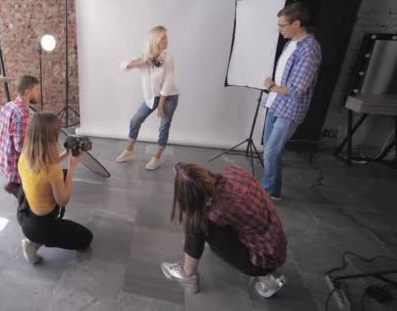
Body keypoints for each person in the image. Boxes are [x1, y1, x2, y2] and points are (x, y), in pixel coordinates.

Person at [161, 162, 288, 298]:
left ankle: (188, 275)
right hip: (276, 247)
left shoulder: (218, 210)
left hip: (261, 262)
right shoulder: (235, 171)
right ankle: (265, 275)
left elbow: (199, 216)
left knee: (198, 221)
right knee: (203, 217)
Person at [262, 2, 322, 201]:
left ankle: (268, 192)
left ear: (296, 23)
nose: (279, 30)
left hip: (289, 109)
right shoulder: (291, 43)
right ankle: (272, 190)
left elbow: (297, 89)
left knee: (271, 151)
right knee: (271, 151)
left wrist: (270, 86)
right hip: (276, 103)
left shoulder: (309, 50)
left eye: (282, 25)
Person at [17, 112, 93, 264]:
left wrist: (66, 153)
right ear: (51, 136)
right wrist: (72, 165)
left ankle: (36, 238)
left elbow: (46, 161)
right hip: (42, 225)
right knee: (86, 238)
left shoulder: (26, 154)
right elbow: (63, 200)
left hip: (25, 212)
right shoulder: (52, 169)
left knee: (58, 177)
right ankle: (33, 244)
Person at [115, 25, 180, 170]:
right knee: (135, 120)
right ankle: (129, 151)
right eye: (162, 38)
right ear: (154, 40)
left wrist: (161, 105)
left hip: (168, 97)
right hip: (151, 97)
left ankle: (157, 158)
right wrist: (143, 63)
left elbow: (168, 83)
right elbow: (123, 66)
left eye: (166, 38)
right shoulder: (145, 57)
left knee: (164, 127)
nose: (165, 40)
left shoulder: (168, 58)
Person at [0, 75, 40, 197]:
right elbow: (21, 147)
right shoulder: (23, 114)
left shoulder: (8, 105)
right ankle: (17, 188)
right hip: (14, 165)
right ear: (28, 91)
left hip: (2, 158)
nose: (38, 93)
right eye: (36, 89)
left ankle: (13, 185)